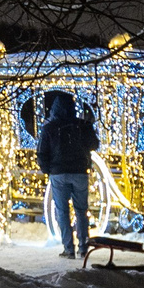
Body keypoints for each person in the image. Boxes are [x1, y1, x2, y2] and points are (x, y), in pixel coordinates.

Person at [34, 89, 99, 260]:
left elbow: (42, 152)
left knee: (62, 211)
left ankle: (68, 248)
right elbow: (94, 144)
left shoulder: (49, 128)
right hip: (79, 172)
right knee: (81, 211)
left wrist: (48, 170)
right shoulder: (83, 125)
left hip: (58, 173)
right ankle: (84, 247)